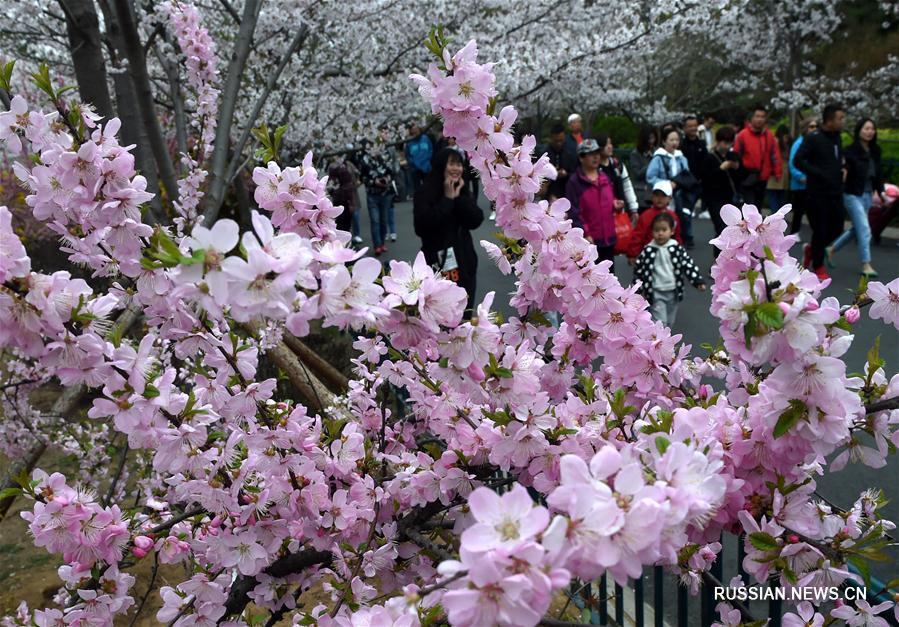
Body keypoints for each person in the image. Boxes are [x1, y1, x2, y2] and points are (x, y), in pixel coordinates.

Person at [413, 148, 484, 315]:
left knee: (464, 314)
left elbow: (476, 220)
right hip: (439, 264)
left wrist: (457, 197)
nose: (457, 168)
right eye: (451, 163)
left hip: (465, 263)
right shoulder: (425, 192)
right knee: (443, 317)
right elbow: (421, 227)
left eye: (459, 164)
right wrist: (447, 199)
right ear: (440, 166)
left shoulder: (462, 190)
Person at [794, 102, 847, 280]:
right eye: (840, 118)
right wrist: (818, 174)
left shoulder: (837, 137)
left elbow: (837, 158)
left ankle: (812, 249)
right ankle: (818, 264)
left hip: (836, 191)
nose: (843, 122)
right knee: (820, 229)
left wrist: (843, 168)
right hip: (817, 192)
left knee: (838, 227)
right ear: (829, 120)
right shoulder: (813, 138)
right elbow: (798, 160)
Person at [827, 118, 884, 278]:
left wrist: (881, 192)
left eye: (872, 129)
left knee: (857, 228)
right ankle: (866, 264)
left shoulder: (875, 150)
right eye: (866, 128)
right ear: (859, 130)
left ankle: (831, 249)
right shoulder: (850, 150)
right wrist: (844, 170)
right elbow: (845, 167)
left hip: (867, 194)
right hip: (852, 194)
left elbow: (878, 174)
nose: (869, 131)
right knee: (865, 228)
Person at [633, 212, 706, 326]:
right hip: (655, 292)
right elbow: (639, 271)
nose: (660, 233)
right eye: (657, 230)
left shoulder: (676, 248)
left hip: (673, 291)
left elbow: (688, 264)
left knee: (670, 322)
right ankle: (656, 341)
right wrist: (637, 291)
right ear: (652, 232)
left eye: (664, 230)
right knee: (660, 322)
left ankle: (665, 340)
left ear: (672, 231)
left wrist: (697, 281)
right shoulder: (648, 250)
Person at [565, 138, 618, 269]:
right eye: (590, 154)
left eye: (597, 153)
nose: (596, 157)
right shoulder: (574, 182)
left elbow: (610, 199)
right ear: (581, 158)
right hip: (590, 240)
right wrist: (585, 233)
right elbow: (574, 212)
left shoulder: (604, 177)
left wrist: (616, 203)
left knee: (609, 279)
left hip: (608, 237)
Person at [646, 125, 695, 248]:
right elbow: (650, 177)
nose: (674, 142)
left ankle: (680, 240)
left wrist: (679, 183)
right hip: (664, 194)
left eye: (677, 140)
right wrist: (667, 184)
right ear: (664, 141)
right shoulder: (658, 158)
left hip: (680, 193)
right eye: (671, 140)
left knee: (682, 215)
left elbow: (687, 174)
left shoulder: (681, 157)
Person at [734, 104, 782, 209]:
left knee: (758, 207)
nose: (760, 119)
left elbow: (774, 154)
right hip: (747, 177)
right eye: (757, 116)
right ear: (751, 118)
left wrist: (777, 172)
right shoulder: (742, 135)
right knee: (750, 207)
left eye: (762, 116)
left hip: (763, 177)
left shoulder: (769, 135)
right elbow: (736, 155)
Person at [700, 126, 741, 247]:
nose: (727, 146)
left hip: (730, 198)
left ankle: (728, 258)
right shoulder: (709, 157)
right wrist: (721, 169)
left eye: (730, 142)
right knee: (721, 229)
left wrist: (736, 167)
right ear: (718, 141)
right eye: (725, 142)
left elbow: (740, 176)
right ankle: (718, 259)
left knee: (732, 229)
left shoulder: (732, 156)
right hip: (714, 199)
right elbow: (706, 179)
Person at [627, 180, 682, 261]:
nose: (659, 198)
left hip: (668, 255)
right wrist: (632, 254)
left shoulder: (673, 216)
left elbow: (677, 236)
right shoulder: (645, 215)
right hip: (648, 255)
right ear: (652, 196)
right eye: (656, 195)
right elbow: (638, 236)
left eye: (663, 196)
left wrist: (679, 252)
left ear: (669, 198)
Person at [358, 139, 395, 255]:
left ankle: (382, 242)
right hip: (372, 194)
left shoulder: (384, 157)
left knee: (383, 220)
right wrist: (374, 182)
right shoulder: (364, 160)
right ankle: (377, 245)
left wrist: (387, 179)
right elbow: (362, 177)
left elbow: (391, 172)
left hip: (385, 193)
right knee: (375, 220)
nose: (375, 149)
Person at [788, 117, 818, 235]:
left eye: (816, 126)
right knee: (799, 210)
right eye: (811, 126)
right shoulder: (798, 143)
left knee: (812, 209)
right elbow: (792, 163)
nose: (814, 129)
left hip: (812, 183)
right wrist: (800, 177)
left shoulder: (815, 143)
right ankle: (795, 232)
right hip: (800, 183)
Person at [596, 133, 638, 213]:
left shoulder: (617, 165)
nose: (609, 147)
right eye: (606, 144)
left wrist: (633, 207)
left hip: (620, 211)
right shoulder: (594, 169)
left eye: (610, 143)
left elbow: (627, 186)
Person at [539, 123, 578, 201]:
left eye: (561, 140)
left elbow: (576, 172)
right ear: (551, 138)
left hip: (567, 191)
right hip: (550, 194)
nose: (558, 143)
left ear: (564, 137)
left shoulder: (571, 152)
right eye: (556, 141)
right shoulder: (544, 154)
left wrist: (566, 174)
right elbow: (540, 175)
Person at [681, 115, 708, 220]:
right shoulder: (681, 145)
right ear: (684, 128)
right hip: (686, 182)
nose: (693, 128)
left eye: (695, 125)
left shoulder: (702, 144)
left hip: (700, 181)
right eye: (690, 126)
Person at [327, 156, 357, 236]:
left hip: (339, 200)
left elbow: (331, 187)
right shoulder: (341, 168)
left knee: (342, 225)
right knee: (344, 225)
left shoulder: (336, 167)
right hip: (342, 200)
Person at [629, 127, 657, 210]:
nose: (652, 141)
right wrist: (651, 163)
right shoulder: (636, 154)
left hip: (655, 191)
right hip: (641, 193)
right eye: (650, 138)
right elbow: (637, 173)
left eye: (653, 138)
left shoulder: (657, 152)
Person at [766, 125, 791, 212]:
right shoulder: (778, 143)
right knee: (778, 199)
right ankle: (777, 218)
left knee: (775, 198)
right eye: (785, 137)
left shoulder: (773, 141)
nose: (786, 139)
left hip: (776, 174)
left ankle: (776, 217)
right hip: (777, 173)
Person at [404, 122, 433, 193]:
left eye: (417, 128)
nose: (415, 130)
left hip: (426, 166)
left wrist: (428, 161)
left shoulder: (425, 138)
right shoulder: (409, 142)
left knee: (428, 186)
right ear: (411, 131)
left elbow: (430, 150)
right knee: (417, 188)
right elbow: (407, 155)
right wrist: (413, 163)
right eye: (413, 129)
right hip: (415, 168)